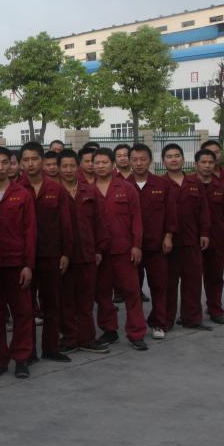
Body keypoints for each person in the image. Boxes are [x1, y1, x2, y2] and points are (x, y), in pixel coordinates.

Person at [18, 142, 73, 363]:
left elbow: (66, 224)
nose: (30, 164)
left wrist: (66, 253)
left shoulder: (56, 189)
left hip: (51, 254)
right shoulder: (16, 189)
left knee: (52, 304)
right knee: (26, 307)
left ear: (42, 161)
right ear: (20, 163)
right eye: (26, 160)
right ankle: (28, 351)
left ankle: (51, 348)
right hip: (25, 258)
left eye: (34, 159)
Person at [0, 147, 36, 379]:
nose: (0, 167)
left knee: (22, 313)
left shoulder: (22, 194)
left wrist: (28, 265)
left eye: (5, 162)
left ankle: (21, 358)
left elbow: (30, 231)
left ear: (12, 165)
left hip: (16, 263)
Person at [91, 148, 148, 350]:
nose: (100, 166)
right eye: (97, 162)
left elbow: (137, 219)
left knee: (132, 292)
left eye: (104, 162)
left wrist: (136, 245)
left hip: (124, 250)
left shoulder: (126, 188)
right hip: (100, 253)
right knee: (102, 293)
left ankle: (136, 333)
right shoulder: (88, 190)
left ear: (112, 164)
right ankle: (109, 330)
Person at [57, 150, 109, 354]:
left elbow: (99, 221)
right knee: (66, 301)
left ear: (77, 166)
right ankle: (69, 339)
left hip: (88, 255)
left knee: (86, 302)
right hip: (64, 257)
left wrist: (99, 249)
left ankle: (87, 339)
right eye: (64, 166)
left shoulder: (90, 191)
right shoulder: (54, 192)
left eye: (72, 166)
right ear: (58, 168)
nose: (68, 170)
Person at [127, 144, 177, 340]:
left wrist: (168, 235)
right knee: (133, 289)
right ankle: (137, 325)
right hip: (133, 248)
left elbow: (171, 212)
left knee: (159, 286)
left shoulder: (162, 184)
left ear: (150, 160)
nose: (139, 163)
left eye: (143, 159)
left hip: (157, 246)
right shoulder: (122, 185)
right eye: (135, 160)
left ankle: (158, 323)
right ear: (129, 162)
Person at [162, 143, 212, 331]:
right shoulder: (159, 184)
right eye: (169, 156)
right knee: (169, 283)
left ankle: (191, 318)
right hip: (169, 243)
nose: (174, 159)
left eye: (177, 156)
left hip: (192, 240)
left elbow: (204, 210)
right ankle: (166, 320)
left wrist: (205, 233)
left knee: (193, 281)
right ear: (163, 161)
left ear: (183, 159)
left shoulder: (194, 183)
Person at [196, 149, 224, 325]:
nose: (207, 166)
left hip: (217, 240)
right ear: (196, 164)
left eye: (210, 162)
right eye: (203, 162)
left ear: (215, 164)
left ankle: (215, 309)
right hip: (193, 240)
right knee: (192, 280)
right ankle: (191, 312)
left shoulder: (223, 188)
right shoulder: (188, 186)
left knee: (215, 278)